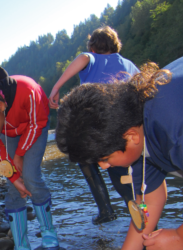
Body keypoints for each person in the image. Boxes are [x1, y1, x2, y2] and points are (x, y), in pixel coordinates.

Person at [56, 51, 183, 250]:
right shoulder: (137, 130)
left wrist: (181, 237)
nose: (104, 167)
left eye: (105, 158)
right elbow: (150, 201)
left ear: (131, 136)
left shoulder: (178, 127)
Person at [49, 26, 139, 224]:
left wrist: (57, 87)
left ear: (93, 46)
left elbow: (82, 58)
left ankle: (106, 210)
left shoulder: (92, 58)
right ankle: (143, 218)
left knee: (86, 159)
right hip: (121, 125)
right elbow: (142, 85)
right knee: (122, 173)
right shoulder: (128, 64)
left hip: (94, 125)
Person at [0, 67, 59, 250]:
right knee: (14, 185)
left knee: (31, 176)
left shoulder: (27, 89)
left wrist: (19, 155)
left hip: (35, 125)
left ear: (1, 106)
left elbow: (37, 123)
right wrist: (13, 177)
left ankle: (49, 235)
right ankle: (21, 244)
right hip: (8, 132)